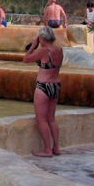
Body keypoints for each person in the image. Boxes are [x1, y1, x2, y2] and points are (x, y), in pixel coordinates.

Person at [22, 26, 63, 157]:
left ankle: (47, 150)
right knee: (51, 119)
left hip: (43, 86)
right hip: (55, 85)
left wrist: (33, 46)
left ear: (42, 38)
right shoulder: (59, 50)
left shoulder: (44, 51)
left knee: (41, 120)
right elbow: (48, 65)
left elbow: (26, 59)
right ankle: (56, 148)